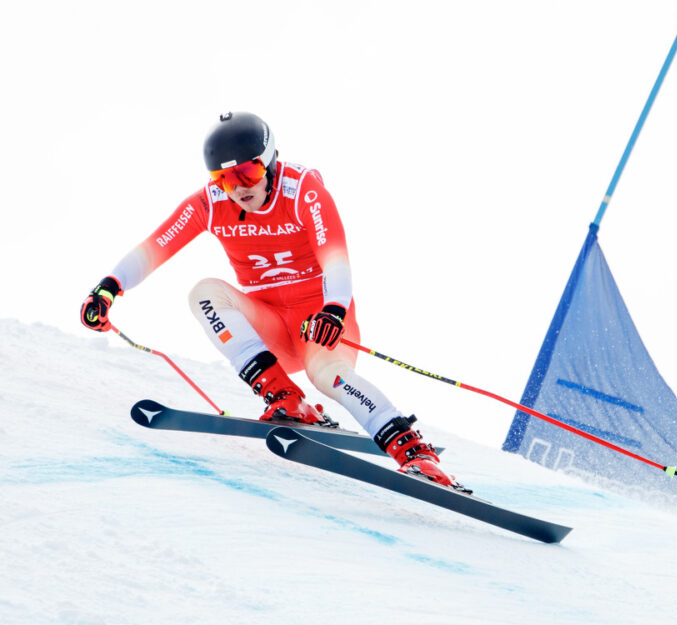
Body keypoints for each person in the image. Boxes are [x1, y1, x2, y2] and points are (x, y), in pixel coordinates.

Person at [81, 111, 465, 491]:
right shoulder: (211, 203)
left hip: (319, 323)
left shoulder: (302, 190)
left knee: (328, 377)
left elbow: (336, 257)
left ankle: (415, 453)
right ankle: (284, 396)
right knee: (204, 293)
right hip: (271, 328)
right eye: (224, 178)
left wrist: (334, 309)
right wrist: (108, 288)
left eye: (248, 173)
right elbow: (156, 246)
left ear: (269, 162)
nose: (238, 187)